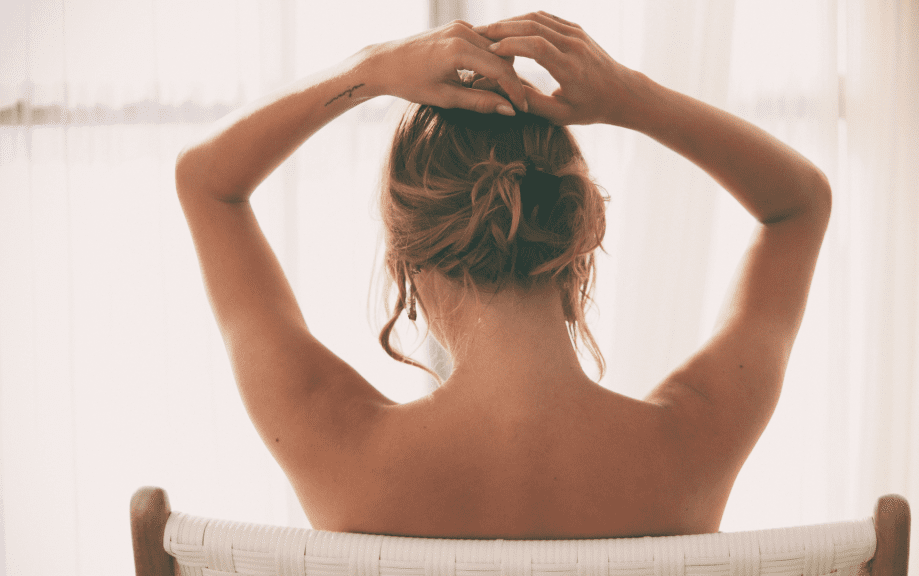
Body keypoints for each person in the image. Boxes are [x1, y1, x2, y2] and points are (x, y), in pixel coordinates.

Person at [175, 11, 831, 539]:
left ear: (406, 262)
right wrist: (630, 96)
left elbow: (206, 182)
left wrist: (368, 71)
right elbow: (799, 205)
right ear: (584, 234)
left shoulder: (337, 443)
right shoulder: (689, 447)